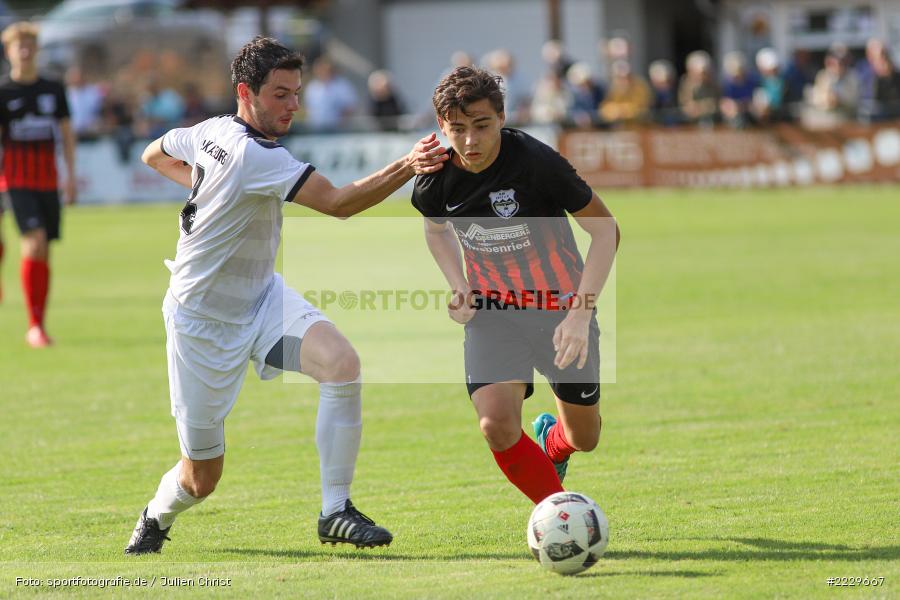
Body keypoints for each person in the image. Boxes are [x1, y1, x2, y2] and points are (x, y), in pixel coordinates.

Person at [125, 37, 447, 555]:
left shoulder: (210, 130)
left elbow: (153, 152)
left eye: (296, 93)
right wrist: (408, 164)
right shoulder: (255, 155)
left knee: (341, 364)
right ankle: (156, 516)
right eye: (279, 94)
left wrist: (202, 190)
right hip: (201, 324)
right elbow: (340, 204)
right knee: (202, 477)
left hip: (261, 299)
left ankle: (335, 511)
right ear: (245, 92)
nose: (292, 105)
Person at [411, 66, 619, 506]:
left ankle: (554, 442)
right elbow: (435, 231)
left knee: (586, 436)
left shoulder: (537, 163)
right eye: (458, 129)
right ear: (441, 127)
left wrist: (580, 315)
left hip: (562, 309)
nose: (470, 141)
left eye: (482, 126)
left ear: (502, 117)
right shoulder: (434, 176)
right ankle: (563, 515)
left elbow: (605, 231)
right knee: (496, 425)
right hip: (493, 313)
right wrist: (459, 284)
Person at [0, 22, 77, 346]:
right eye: (20, 45)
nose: (25, 50)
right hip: (14, 178)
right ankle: (35, 328)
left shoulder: (53, 89)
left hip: (47, 180)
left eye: (30, 44)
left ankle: (39, 322)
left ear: (37, 49)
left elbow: (66, 133)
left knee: (44, 250)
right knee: (34, 241)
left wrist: (70, 176)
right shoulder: (3, 92)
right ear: (9, 51)